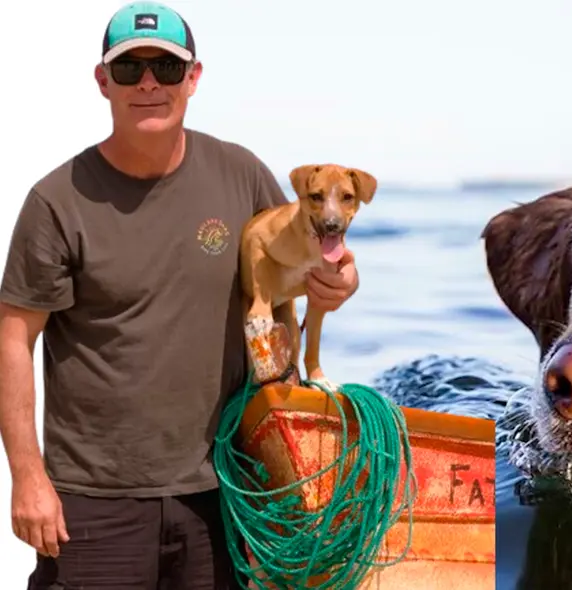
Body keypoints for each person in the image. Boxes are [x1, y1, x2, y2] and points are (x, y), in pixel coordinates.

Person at [0, 2, 360, 588]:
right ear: (102, 81)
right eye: (130, 69)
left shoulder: (241, 174)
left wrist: (343, 281)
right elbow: (12, 341)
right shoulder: (55, 202)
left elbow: (313, 252)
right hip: (92, 504)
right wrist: (26, 477)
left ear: (193, 79)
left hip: (226, 490)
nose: (148, 83)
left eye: (166, 69)